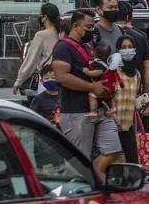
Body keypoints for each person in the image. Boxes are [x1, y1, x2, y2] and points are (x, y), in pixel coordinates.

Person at [53, 10, 124, 173]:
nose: (91, 31)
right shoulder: (63, 47)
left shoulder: (88, 47)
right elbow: (62, 77)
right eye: (88, 27)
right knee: (78, 161)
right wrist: (93, 88)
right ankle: (75, 191)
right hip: (76, 112)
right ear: (75, 25)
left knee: (113, 151)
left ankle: (91, 181)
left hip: (101, 111)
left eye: (93, 27)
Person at [116, 1, 149, 123]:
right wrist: (145, 94)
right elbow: (148, 67)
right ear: (129, 17)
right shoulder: (141, 36)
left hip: (115, 94)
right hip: (135, 92)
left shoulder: (110, 35)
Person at [13, 2, 60, 94]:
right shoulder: (61, 34)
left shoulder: (41, 35)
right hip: (61, 78)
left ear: (45, 17)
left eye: (41, 15)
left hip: (47, 78)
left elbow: (31, 60)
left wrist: (19, 81)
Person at [112, 35, 142, 164]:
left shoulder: (137, 74)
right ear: (118, 50)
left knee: (132, 162)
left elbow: (135, 97)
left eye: (130, 47)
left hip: (128, 126)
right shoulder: (113, 71)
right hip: (112, 125)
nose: (127, 50)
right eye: (123, 47)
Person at [83, 42, 122, 116]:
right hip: (112, 86)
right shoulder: (108, 63)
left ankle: (93, 111)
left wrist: (88, 72)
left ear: (94, 52)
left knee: (92, 95)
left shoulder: (97, 63)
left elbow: (99, 72)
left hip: (103, 87)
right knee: (111, 98)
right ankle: (113, 108)